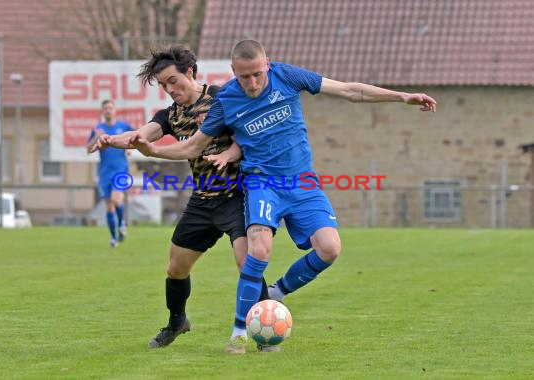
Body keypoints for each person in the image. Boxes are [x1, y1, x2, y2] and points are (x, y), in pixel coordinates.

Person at [129, 39, 438, 354]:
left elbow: (349, 90)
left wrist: (401, 96)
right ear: (233, 72)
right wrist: (153, 150)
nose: (253, 83)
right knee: (258, 252)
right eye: (245, 76)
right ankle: (239, 333)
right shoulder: (226, 102)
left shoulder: (287, 76)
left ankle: (278, 291)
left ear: (268, 64)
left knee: (330, 249)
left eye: (258, 74)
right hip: (262, 183)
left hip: (303, 182)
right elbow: (194, 146)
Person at [90, 45, 269, 348]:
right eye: (162, 85)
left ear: (190, 72)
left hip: (235, 196)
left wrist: (230, 153)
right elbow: (141, 135)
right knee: (176, 268)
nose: (169, 89)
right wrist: (110, 140)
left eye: (172, 81)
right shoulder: (170, 115)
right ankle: (177, 322)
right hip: (201, 201)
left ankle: (265, 329)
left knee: (247, 263)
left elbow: (247, 137)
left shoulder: (221, 97)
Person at [87, 99, 134, 248]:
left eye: (110, 108)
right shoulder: (98, 128)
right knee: (109, 206)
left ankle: (122, 223)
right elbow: (88, 149)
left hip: (120, 169)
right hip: (105, 172)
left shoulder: (123, 126)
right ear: (102, 112)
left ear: (114, 111)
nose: (108, 110)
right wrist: (96, 137)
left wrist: (129, 147)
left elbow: (136, 137)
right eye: (105, 108)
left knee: (116, 199)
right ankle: (114, 237)